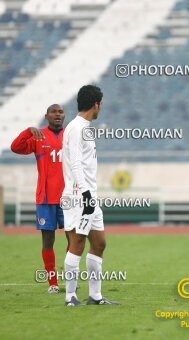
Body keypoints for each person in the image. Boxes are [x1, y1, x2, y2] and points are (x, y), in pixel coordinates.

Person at [62, 85, 118, 305]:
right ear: (96, 104)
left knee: (100, 243)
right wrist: (85, 194)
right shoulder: (76, 128)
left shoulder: (84, 127)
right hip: (79, 196)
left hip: (89, 196)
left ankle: (95, 296)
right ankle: (70, 296)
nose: (100, 108)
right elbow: (75, 163)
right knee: (77, 243)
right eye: (100, 104)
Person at [11, 104, 69, 294]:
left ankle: (70, 279)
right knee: (47, 240)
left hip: (69, 196)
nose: (57, 114)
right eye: (53, 112)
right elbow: (16, 147)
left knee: (75, 239)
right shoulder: (38, 136)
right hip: (45, 197)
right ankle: (53, 283)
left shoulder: (71, 134)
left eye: (60, 112)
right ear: (46, 116)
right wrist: (28, 131)